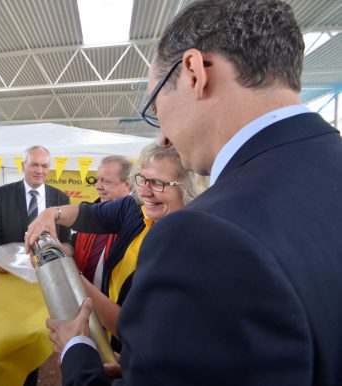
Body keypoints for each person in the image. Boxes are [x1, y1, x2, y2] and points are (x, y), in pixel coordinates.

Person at [43, 1, 342, 385]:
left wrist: (76, 350)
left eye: (156, 107)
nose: (164, 136)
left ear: (195, 72)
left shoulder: (204, 234)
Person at [26, 143, 207, 350]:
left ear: (188, 188)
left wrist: (69, 273)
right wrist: (50, 214)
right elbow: (89, 214)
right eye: (142, 180)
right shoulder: (136, 209)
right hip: (110, 341)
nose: (145, 192)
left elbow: (133, 328)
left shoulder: (188, 247)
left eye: (157, 183)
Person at [0, 145, 70, 386]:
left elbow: (67, 241)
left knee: (34, 337)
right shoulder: (3, 194)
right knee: (6, 334)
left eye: (44, 165)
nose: (39, 170)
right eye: (34, 164)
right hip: (9, 279)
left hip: (45, 281)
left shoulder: (60, 198)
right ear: (23, 166)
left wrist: (63, 254)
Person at [72, 155, 132, 288]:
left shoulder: (140, 223)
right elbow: (75, 246)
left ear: (127, 184)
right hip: (81, 298)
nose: (98, 187)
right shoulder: (87, 213)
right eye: (97, 180)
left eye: (106, 181)